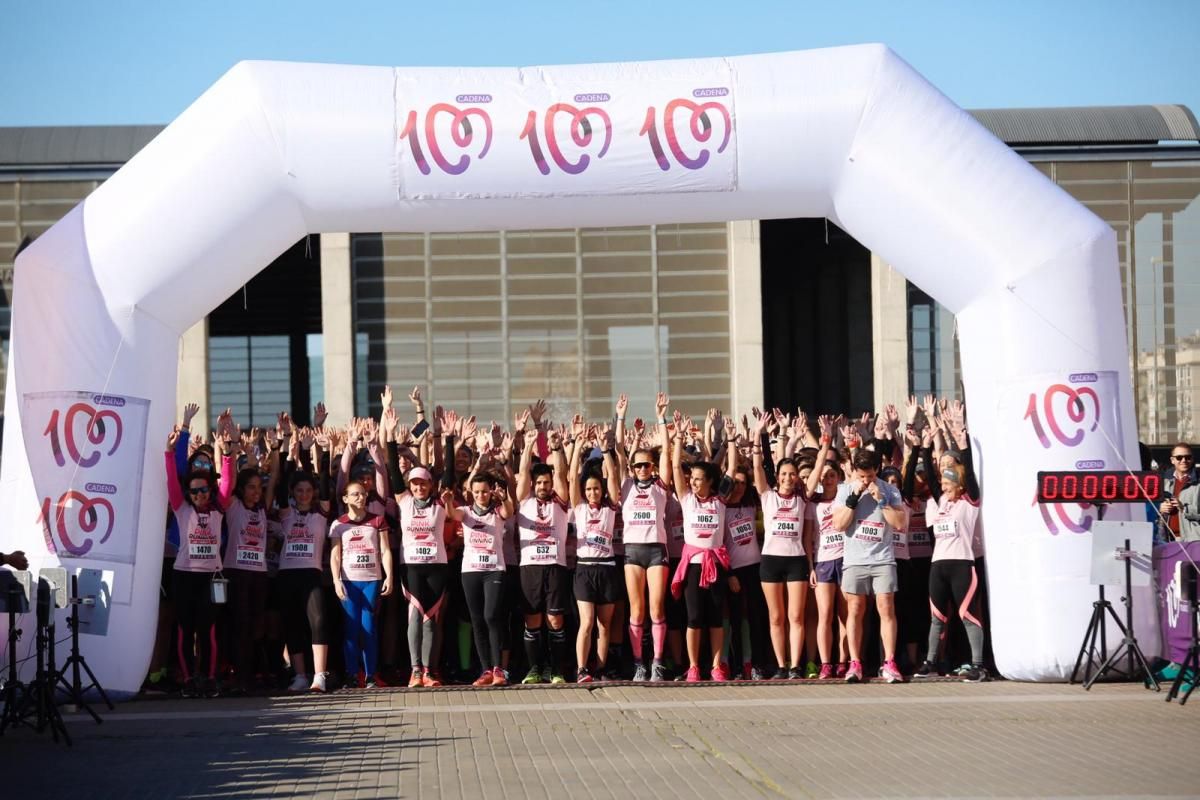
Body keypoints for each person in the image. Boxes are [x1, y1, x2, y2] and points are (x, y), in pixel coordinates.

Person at [670, 410, 737, 682]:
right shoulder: (687, 499)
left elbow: (731, 471)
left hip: (717, 566)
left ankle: (716, 666)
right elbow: (676, 469)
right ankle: (694, 666)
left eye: (698, 479)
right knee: (694, 617)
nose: (693, 482)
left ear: (710, 481)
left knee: (715, 618)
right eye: (692, 479)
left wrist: (731, 440)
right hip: (694, 567)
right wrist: (676, 439)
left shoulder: (719, 500)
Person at [831, 448, 907, 684]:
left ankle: (890, 662)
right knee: (855, 609)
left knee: (886, 608)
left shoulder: (890, 490)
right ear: (854, 470)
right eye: (862, 476)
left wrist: (881, 500)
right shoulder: (844, 490)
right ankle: (855, 663)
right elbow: (838, 525)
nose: (866, 481)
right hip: (855, 560)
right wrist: (853, 499)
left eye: (870, 476)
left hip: (882, 559)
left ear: (877, 471)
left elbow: (899, 524)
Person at [751, 414, 813, 679]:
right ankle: (780, 665)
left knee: (795, 617)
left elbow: (819, 466)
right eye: (784, 474)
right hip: (770, 562)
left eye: (793, 474)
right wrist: (758, 435)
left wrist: (811, 439)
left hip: (796, 560)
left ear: (798, 478)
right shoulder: (767, 495)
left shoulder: (803, 497)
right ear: (777, 476)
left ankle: (796, 665)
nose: (789, 477)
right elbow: (757, 468)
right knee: (776, 618)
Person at [617, 392, 674, 682]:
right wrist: (621, 418)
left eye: (646, 465)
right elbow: (616, 452)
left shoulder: (661, 486)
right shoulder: (625, 485)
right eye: (638, 465)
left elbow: (665, 449)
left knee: (656, 608)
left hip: (656, 550)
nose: (642, 469)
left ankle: (658, 662)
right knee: (636, 610)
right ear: (632, 468)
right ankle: (639, 662)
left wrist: (661, 417)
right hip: (632, 551)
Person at [914, 464, 987, 681]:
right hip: (938, 565)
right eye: (942, 484)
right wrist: (923, 446)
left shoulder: (969, 501)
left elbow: (971, 479)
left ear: (959, 485)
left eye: (947, 484)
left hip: (962, 564)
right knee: (937, 618)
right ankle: (930, 662)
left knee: (968, 616)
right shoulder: (941, 501)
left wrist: (962, 445)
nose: (943, 487)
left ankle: (978, 666)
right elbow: (932, 480)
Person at [164, 430, 224, 698]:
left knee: (208, 630)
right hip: (184, 575)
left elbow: (228, 481)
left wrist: (229, 453)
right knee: (185, 629)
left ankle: (209, 678)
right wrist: (169, 451)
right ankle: (188, 679)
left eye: (204, 490)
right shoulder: (181, 508)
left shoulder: (218, 508)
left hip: (212, 577)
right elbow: (172, 482)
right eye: (195, 490)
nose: (199, 494)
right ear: (189, 493)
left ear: (210, 490)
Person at [515, 418, 572, 684]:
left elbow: (561, 474)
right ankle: (534, 669)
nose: (543, 486)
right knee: (533, 621)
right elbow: (523, 474)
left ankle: (557, 670)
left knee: (556, 621)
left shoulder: (560, 503)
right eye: (539, 483)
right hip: (530, 568)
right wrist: (527, 446)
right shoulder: (524, 500)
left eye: (546, 483)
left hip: (555, 567)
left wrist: (557, 449)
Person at [447, 472, 513, 686]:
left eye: (484, 491)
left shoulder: (496, 511)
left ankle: (498, 669)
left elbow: (509, 511)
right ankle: (485, 670)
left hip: (494, 569)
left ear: (490, 491)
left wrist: (504, 497)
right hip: (470, 571)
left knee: (491, 615)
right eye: (476, 492)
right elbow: (452, 514)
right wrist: (448, 502)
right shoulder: (466, 512)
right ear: (471, 493)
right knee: (477, 620)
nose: (481, 495)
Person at [568, 424, 622, 682]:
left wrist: (606, 448)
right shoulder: (578, 507)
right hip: (585, 569)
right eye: (588, 489)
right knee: (587, 623)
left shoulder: (610, 507)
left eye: (596, 489)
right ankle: (581, 669)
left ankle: (600, 669)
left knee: (604, 625)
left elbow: (612, 476)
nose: (592, 493)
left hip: (607, 568)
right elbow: (570, 480)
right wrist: (578, 445)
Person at [330, 481, 394, 688]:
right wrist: (336, 581)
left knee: (368, 627)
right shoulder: (338, 524)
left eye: (363, 494)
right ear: (345, 498)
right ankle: (350, 674)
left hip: (371, 580)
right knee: (350, 628)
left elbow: (385, 550)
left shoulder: (378, 520)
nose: (360, 497)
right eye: (355, 494)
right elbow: (335, 556)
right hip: (348, 581)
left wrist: (389, 576)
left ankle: (370, 675)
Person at [275, 471, 333, 693]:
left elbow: (326, 487)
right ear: (293, 493)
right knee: (292, 624)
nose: (304, 495)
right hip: (287, 574)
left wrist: (324, 453)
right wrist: (285, 451)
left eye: (309, 490)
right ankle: (300, 675)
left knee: (318, 621)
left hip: (311, 573)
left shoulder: (321, 512)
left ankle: (320, 675)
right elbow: (281, 490)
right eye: (299, 490)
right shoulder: (286, 513)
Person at [808, 417, 849, 679]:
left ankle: (844, 661)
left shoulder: (846, 495)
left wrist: (836, 438)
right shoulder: (813, 503)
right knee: (824, 615)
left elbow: (855, 471)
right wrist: (810, 566)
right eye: (824, 476)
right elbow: (808, 537)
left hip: (847, 560)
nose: (828, 479)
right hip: (823, 562)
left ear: (839, 478)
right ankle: (826, 663)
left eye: (832, 475)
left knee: (845, 616)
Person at [1160, 443, 1196, 543]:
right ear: (1172, 460)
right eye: (1179, 457)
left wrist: (1184, 508)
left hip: (1193, 541)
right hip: (1168, 540)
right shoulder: (1164, 481)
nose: (1184, 460)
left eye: (1187, 457)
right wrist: (1160, 508)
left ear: (1192, 459)